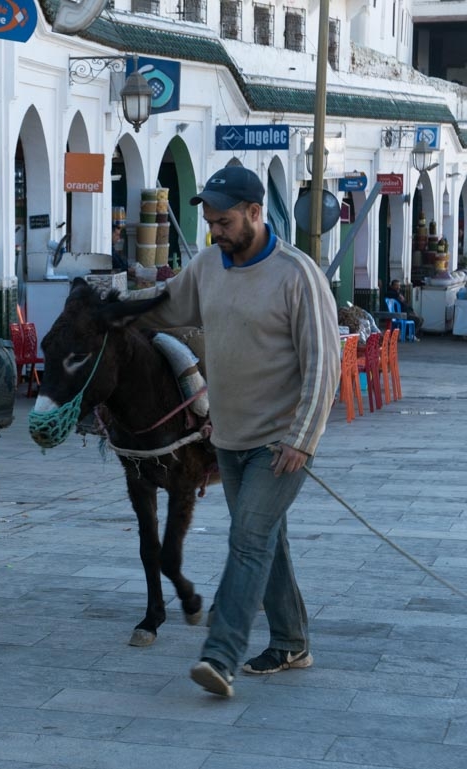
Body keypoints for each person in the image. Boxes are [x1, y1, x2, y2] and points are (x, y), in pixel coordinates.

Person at [139, 165, 340, 697]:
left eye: (224, 221)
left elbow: (325, 362)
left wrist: (303, 436)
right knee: (266, 538)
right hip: (226, 439)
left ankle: (220, 655)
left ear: (256, 213)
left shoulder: (298, 275)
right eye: (209, 220)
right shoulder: (207, 265)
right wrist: (110, 306)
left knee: (248, 541)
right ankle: (292, 640)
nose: (215, 231)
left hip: (280, 443)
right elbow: (165, 307)